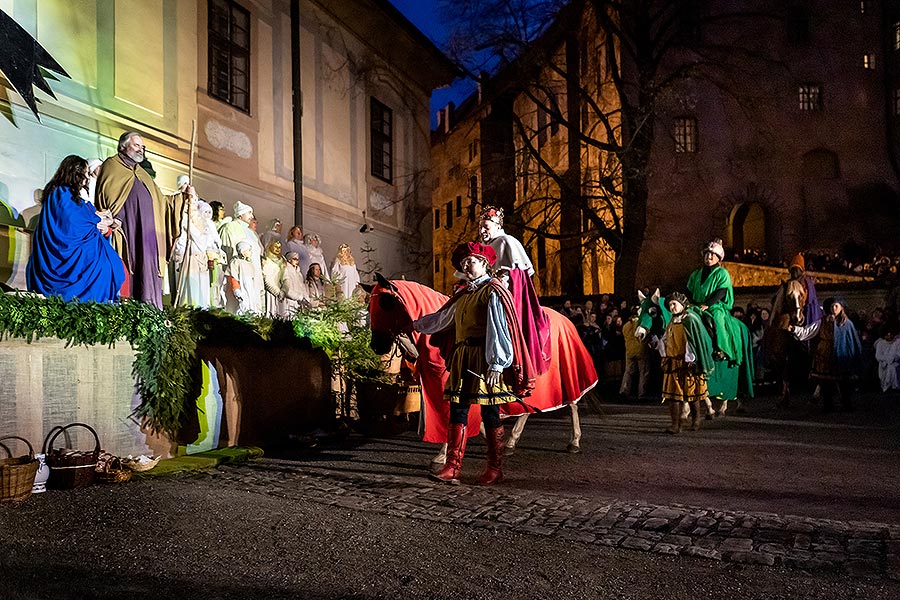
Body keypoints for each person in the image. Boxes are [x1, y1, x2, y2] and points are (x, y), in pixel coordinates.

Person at [412, 242, 533, 486]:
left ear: (485, 264)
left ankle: (494, 468)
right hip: (463, 357)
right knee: (458, 410)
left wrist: (496, 365)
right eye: (465, 262)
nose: (467, 265)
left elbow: (499, 330)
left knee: (490, 412)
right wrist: (414, 325)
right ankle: (453, 467)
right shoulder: (463, 295)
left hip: (484, 357)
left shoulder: (493, 291)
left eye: (473, 261)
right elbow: (442, 319)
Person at [94, 131, 192, 307]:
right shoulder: (112, 165)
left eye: (143, 147)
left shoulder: (143, 173)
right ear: (124, 146)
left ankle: (151, 312)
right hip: (127, 231)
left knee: (149, 271)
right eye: (137, 145)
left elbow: (163, 202)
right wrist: (116, 219)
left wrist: (182, 197)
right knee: (131, 272)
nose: (141, 150)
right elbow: (108, 198)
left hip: (148, 236)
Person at [26, 155, 125, 303]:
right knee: (103, 268)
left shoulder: (69, 195)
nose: (86, 178)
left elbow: (84, 212)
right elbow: (71, 220)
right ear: (74, 173)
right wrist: (96, 219)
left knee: (111, 265)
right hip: (65, 250)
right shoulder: (61, 193)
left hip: (78, 243)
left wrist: (101, 218)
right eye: (84, 173)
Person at [479, 205, 550, 374]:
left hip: (503, 293)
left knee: (496, 313)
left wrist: (495, 287)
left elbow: (511, 276)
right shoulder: (481, 246)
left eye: (486, 227)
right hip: (484, 289)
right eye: (480, 227)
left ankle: (505, 363)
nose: (482, 230)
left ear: (497, 225)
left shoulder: (506, 242)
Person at [766, 253, 822, 406]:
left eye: (797, 269)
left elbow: (808, 300)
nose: (795, 272)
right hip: (790, 314)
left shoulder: (807, 283)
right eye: (793, 269)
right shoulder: (787, 284)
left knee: (813, 333)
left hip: (805, 312)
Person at [791, 297, 862, 412]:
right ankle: (828, 405)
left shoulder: (847, 324)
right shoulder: (823, 321)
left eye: (836, 306)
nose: (834, 308)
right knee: (825, 383)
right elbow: (809, 331)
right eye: (832, 306)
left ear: (841, 308)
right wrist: (794, 329)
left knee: (843, 382)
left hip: (841, 356)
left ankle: (846, 404)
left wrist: (853, 357)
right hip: (824, 357)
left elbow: (853, 341)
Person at [658, 292, 709, 434]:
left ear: (682, 305)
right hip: (673, 362)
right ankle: (675, 425)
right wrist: (662, 351)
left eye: (674, 304)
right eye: (670, 305)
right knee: (673, 397)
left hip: (688, 363)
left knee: (693, 394)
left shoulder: (691, 320)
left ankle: (696, 419)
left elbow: (693, 342)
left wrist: (690, 359)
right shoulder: (671, 322)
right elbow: (666, 338)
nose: (672, 307)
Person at [686, 238, 743, 364]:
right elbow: (689, 290)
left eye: (712, 254)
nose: (709, 257)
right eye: (707, 254)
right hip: (695, 304)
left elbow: (721, 291)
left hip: (715, 305)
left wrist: (707, 304)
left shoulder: (722, 273)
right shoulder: (696, 274)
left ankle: (721, 348)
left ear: (719, 258)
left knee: (717, 320)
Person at [172, 199, 225, 309]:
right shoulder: (187, 221)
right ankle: (191, 306)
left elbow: (211, 240)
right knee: (192, 285)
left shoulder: (205, 225)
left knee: (204, 284)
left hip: (203, 257)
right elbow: (195, 237)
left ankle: (202, 306)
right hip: (192, 256)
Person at [219, 201, 263, 307]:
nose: (251, 216)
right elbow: (227, 250)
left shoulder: (251, 232)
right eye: (249, 213)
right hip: (239, 273)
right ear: (240, 214)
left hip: (253, 272)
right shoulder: (230, 227)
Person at [620, 307, 650, 399]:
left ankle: (624, 390)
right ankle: (642, 394)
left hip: (629, 351)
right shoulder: (641, 325)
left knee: (628, 372)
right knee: (643, 372)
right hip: (641, 350)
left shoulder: (626, 326)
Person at [225, 240, 261, 315]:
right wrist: (236, 290)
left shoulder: (249, 263)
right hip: (242, 290)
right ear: (243, 251)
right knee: (243, 307)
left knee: (252, 307)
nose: (251, 252)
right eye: (249, 250)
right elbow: (233, 277)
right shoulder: (236, 262)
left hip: (250, 290)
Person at [281, 251, 310, 317]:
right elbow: (287, 289)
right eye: (294, 259)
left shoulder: (298, 273)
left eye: (297, 259)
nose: (297, 261)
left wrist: (306, 299)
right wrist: (299, 297)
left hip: (299, 304)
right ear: (289, 259)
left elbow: (302, 287)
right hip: (289, 302)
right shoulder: (286, 270)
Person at [261, 239, 286, 317]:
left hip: (280, 293)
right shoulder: (266, 260)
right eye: (275, 246)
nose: (278, 249)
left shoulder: (282, 261)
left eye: (279, 247)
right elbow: (267, 279)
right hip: (270, 292)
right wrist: (277, 291)